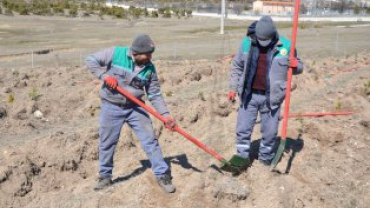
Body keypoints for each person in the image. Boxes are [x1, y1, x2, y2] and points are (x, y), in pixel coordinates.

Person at [85, 34, 177, 193]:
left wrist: (165, 115)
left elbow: (154, 94)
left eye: (151, 54)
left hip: (136, 106)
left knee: (150, 140)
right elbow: (90, 60)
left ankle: (162, 174)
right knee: (107, 142)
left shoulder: (150, 69)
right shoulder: (115, 53)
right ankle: (105, 176)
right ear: (136, 53)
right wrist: (105, 76)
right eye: (147, 54)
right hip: (112, 105)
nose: (150, 57)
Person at [228, 16, 304, 167]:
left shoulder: (286, 46)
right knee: (243, 128)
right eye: (260, 38)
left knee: (270, 133)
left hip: (272, 98)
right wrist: (232, 88)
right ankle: (242, 157)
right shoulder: (246, 43)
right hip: (249, 95)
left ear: (273, 35)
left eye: (266, 39)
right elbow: (237, 67)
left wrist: (296, 65)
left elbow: (299, 68)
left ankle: (265, 159)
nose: (262, 41)